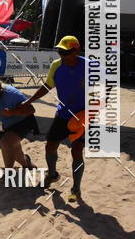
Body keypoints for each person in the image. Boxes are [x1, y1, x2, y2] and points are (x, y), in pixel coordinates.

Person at [20, 35, 86, 201]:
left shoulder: (90, 66)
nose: (62, 55)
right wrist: (29, 101)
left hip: (82, 117)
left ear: (77, 51)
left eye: (66, 52)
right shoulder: (56, 66)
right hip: (63, 114)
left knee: (77, 151)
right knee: (50, 147)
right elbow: (47, 86)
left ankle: (76, 189)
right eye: (60, 52)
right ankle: (52, 174)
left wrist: (96, 106)